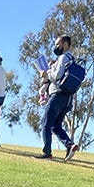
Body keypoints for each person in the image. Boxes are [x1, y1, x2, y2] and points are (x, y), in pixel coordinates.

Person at [34, 34, 79, 162]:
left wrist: (46, 73)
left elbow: (57, 75)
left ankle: (46, 152)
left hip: (57, 95)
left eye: (58, 44)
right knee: (56, 126)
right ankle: (70, 145)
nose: (56, 47)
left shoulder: (63, 57)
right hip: (68, 97)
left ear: (65, 44)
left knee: (46, 124)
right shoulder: (71, 58)